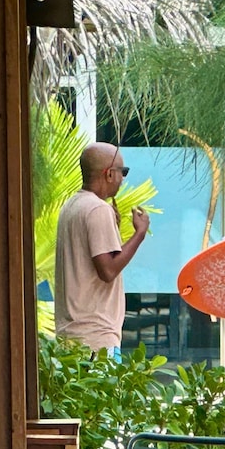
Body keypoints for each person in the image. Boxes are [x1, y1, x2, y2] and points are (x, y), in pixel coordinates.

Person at [54, 142, 149, 357]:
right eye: (123, 172)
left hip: (71, 335)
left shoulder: (71, 206)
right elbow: (107, 270)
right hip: (96, 338)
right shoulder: (98, 209)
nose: (123, 179)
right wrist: (140, 233)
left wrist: (113, 229)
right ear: (109, 174)